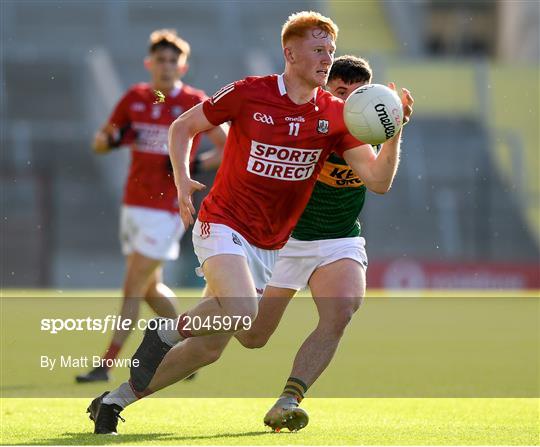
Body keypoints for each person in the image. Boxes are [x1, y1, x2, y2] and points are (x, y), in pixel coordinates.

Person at [86, 11, 413, 435]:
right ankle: (165, 331)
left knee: (215, 347)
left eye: (330, 51)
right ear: (289, 53)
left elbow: (377, 181)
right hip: (222, 221)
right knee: (242, 311)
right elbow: (184, 125)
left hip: (269, 242)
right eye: (318, 50)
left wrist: (394, 133)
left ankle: (115, 399)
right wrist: (183, 178)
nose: (327, 59)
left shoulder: (335, 115)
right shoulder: (249, 92)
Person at [234, 55, 401, 432]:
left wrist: (394, 132)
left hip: (339, 240)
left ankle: (288, 399)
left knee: (340, 312)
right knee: (252, 336)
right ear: (325, 91)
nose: (350, 102)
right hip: (285, 243)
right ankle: (221, 297)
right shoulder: (313, 125)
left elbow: (381, 183)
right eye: (341, 92)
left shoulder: (365, 130)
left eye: (359, 94)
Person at [76, 29, 227, 383]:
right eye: (161, 60)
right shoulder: (138, 98)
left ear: (183, 66)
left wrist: (193, 167)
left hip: (167, 210)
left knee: (131, 285)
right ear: (150, 63)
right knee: (147, 288)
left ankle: (105, 364)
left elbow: (226, 146)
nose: (167, 66)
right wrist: (110, 140)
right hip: (133, 205)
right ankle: (182, 351)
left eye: (173, 60)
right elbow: (102, 140)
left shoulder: (194, 102)